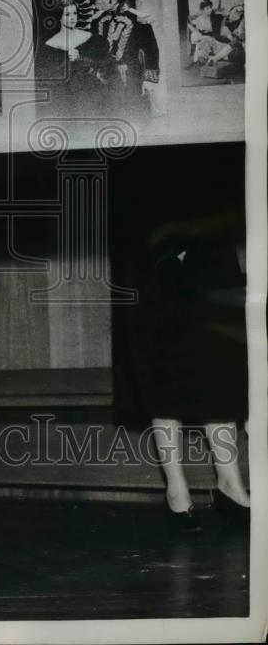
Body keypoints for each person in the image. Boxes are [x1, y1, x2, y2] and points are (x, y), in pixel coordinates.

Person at [118, 212, 249, 531]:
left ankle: (230, 484)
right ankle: (176, 489)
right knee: (162, 360)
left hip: (210, 229)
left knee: (217, 360)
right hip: (156, 227)